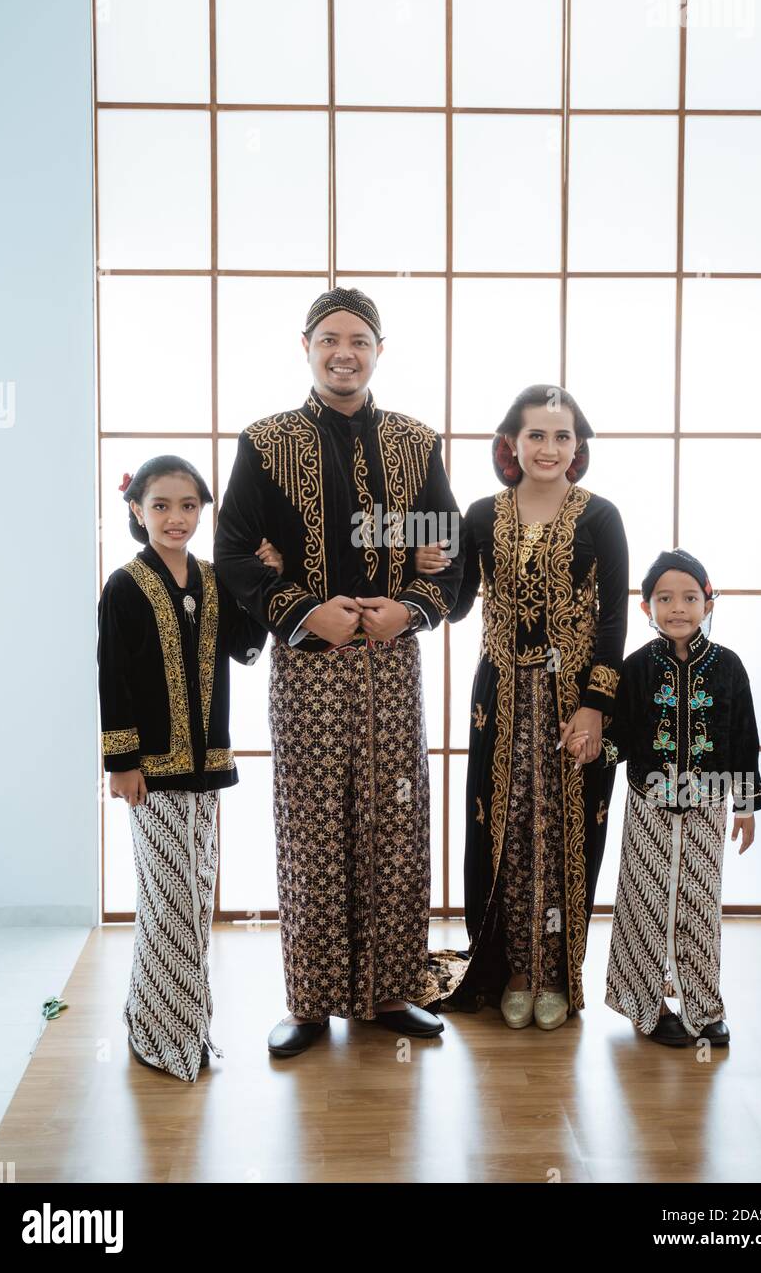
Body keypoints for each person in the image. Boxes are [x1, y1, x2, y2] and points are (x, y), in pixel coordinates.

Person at [213, 286, 466, 1058]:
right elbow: (231, 552)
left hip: (391, 665)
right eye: (330, 339)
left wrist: (412, 608)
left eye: (359, 338)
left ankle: (390, 991)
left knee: (395, 821)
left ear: (379, 350)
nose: (344, 352)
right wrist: (301, 610)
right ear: (307, 347)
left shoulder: (416, 444)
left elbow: (450, 552)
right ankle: (312, 1001)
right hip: (306, 667)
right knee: (313, 825)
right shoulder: (266, 443)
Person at [417, 385, 629, 1029]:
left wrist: (595, 707)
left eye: (562, 436)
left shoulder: (601, 517)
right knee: (505, 828)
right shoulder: (481, 515)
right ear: (511, 443)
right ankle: (512, 967)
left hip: (576, 698)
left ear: (578, 447)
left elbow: (615, 619)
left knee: (567, 831)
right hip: (501, 692)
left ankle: (558, 973)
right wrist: (431, 564)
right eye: (536, 435)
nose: (549, 448)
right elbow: (456, 605)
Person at [97, 456, 267, 1082]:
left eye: (189, 505)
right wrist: (120, 762)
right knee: (164, 901)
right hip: (151, 773)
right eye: (162, 505)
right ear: (137, 511)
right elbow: (111, 675)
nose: (176, 518)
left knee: (195, 901)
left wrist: (263, 577)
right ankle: (157, 1033)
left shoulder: (213, 579)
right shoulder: (124, 585)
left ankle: (181, 1026)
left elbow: (246, 649)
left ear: (203, 511)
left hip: (208, 766)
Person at [599, 548, 761, 1047]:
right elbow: (623, 735)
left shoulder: (730, 668)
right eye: (665, 598)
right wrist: (594, 749)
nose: (678, 608)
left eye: (690, 597)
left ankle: (703, 1008)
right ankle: (646, 1005)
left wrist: (745, 806)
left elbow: (743, 737)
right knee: (646, 902)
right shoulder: (636, 667)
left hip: (708, 804)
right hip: (649, 803)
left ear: (708, 603)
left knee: (698, 903)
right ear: (647, 607)